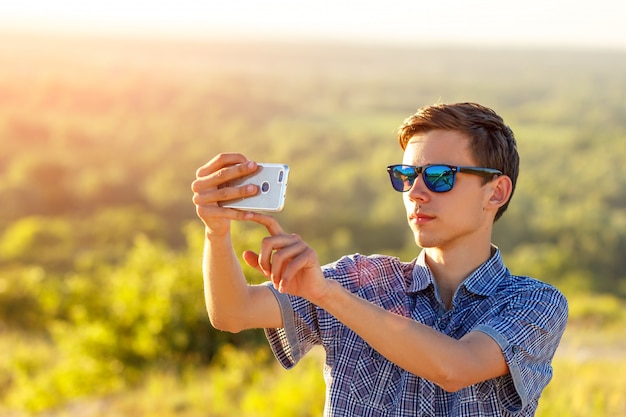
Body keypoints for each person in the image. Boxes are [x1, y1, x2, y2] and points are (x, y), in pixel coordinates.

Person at [191, 102, 568, 416]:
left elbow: (456, 367)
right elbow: (232, 312)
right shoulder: (360, 277)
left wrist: (327, 295)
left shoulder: (533, 303)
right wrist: (216, 231)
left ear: (496, 192)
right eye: (406, 175)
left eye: (440, 176)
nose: (416, 192)